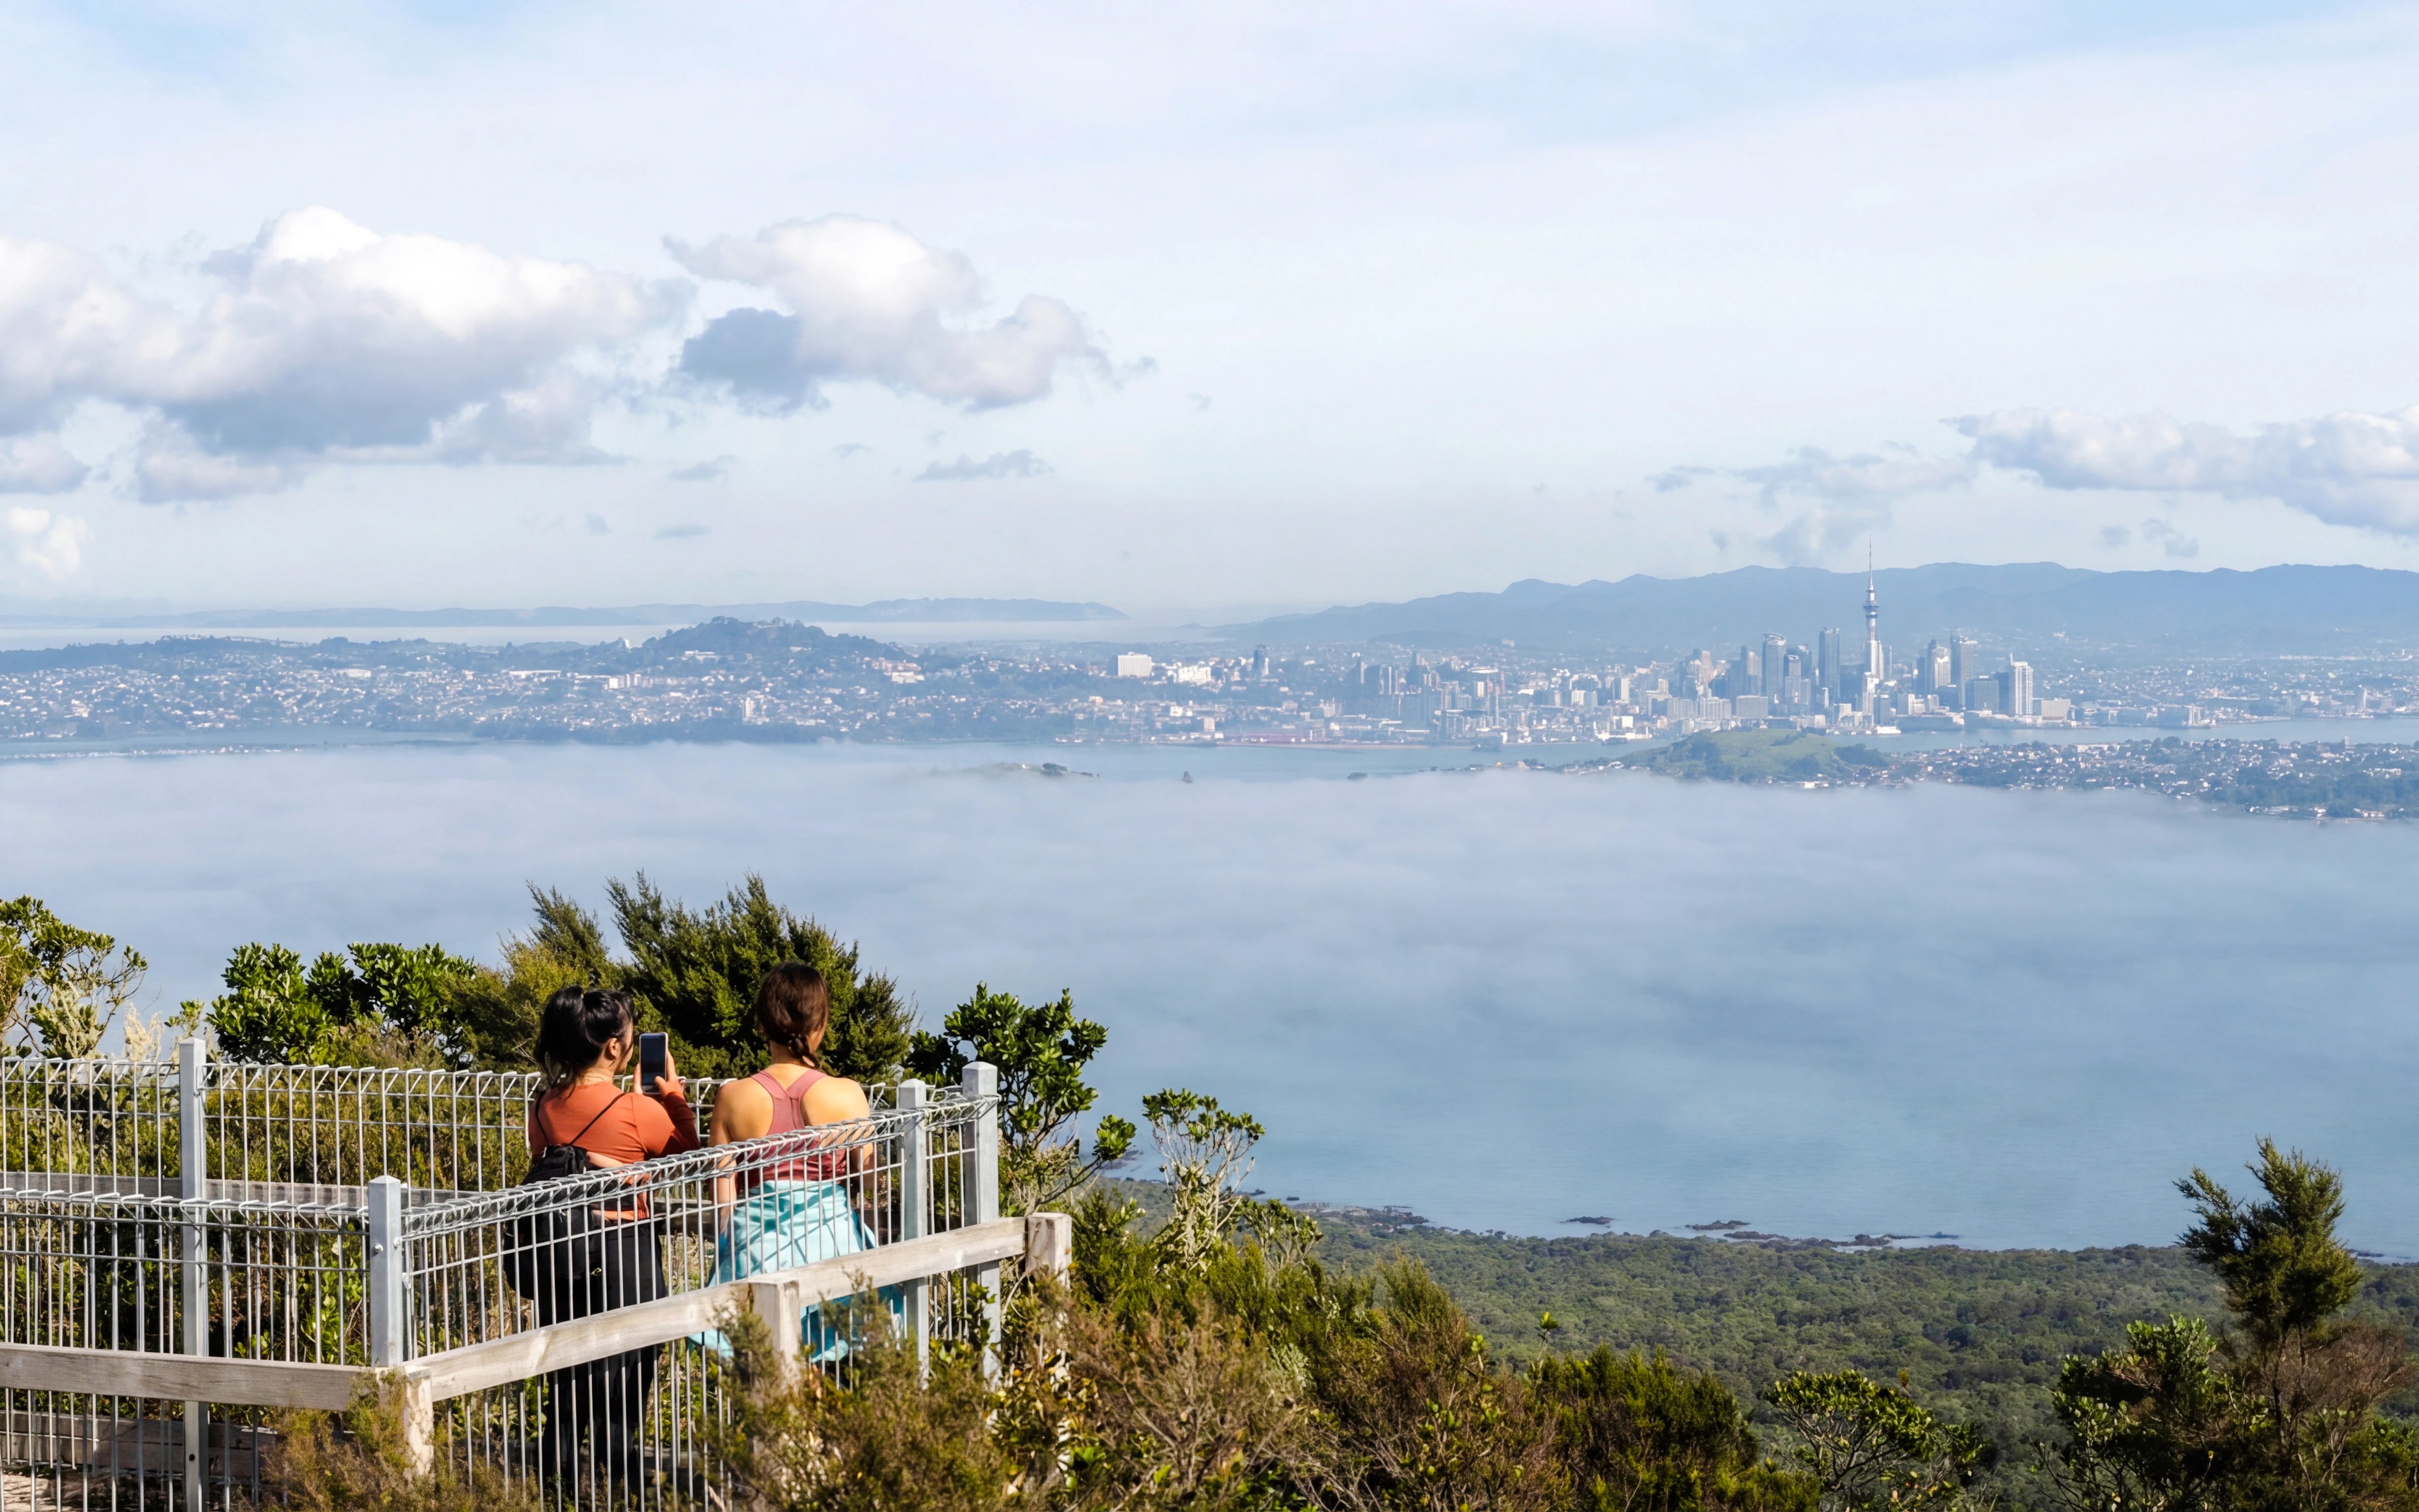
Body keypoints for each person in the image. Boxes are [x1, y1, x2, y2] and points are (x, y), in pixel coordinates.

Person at [526, 986, 699, 1490]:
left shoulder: (543, 1107)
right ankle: (624, 1490)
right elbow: (685, 1152)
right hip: (625, 1249)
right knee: (627, 1376)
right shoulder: (633, 1109)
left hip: (561, 1251)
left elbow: (547, 1162)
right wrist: (672, 1093)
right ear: (615, 1048)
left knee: (566, 1378)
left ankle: (556, 1492)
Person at [694, 962, 883, 1359]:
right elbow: (871, 1182)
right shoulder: (846, 1094)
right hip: (827, 1243)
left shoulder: (733, 1096)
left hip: (756, 1252)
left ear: (764, 1024)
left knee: (763, 1371)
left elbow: (722, 1198)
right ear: (821, 1023)